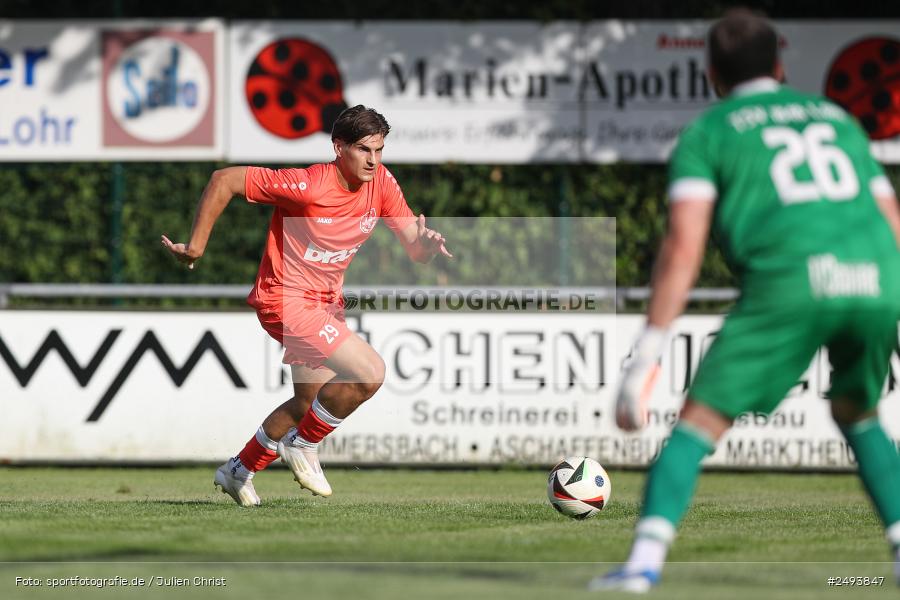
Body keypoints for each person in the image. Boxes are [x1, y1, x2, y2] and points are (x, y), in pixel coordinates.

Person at [592, 9, 900, 593]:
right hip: (877, 276)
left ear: (711, 73)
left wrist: (647, 352)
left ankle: (641, 566)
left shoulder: (710, 132)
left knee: (699, 421)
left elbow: (684, 246)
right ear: (781, 65)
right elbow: (891, 219)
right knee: (858, 412)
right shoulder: (838, 118)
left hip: (792, 280)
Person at [162, 105, 452, 507]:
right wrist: (196, 245)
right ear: (338, 147)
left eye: (380, 150)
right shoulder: (309, 185)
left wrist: (427, 246)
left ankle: (237, 470)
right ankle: (302, 445)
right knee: (370, 373)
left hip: (325, 304)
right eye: (364, 149)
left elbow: (415, 249)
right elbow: (223, 179)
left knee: (309, 402)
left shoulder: (381, 183)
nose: (373, 160)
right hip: (285, 298)